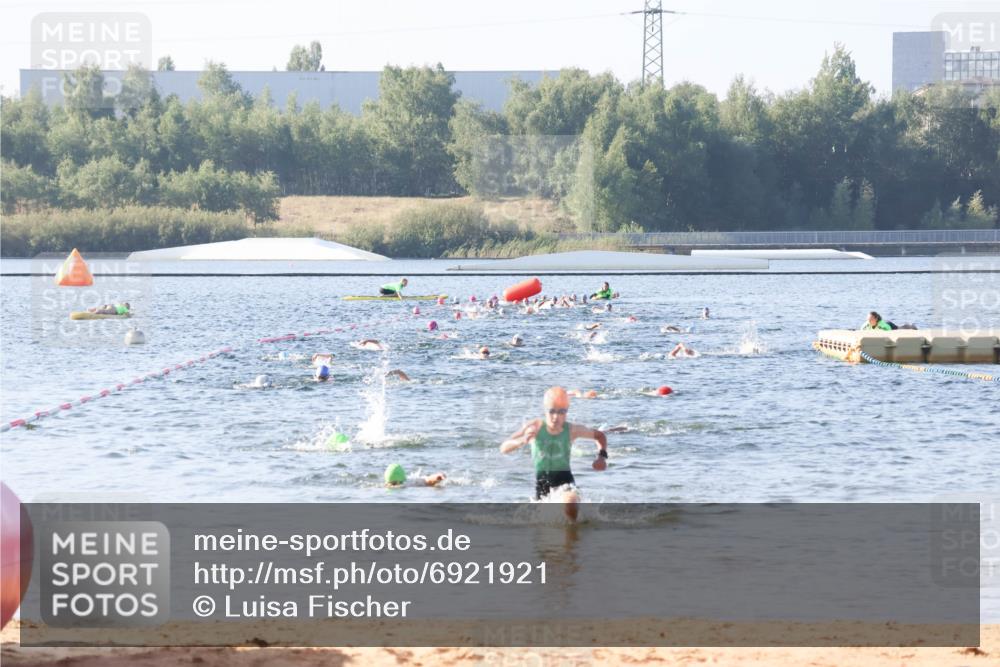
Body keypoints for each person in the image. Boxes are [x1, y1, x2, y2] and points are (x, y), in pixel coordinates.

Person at [500, 387, 608, 521]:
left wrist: (601, 457)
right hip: (543, 485)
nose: (556, 417)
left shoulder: (572, 430)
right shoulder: (535, 426)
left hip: (565, 481)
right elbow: (504, 448)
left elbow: (600, 436)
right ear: (545, 410)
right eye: (552, 411)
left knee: (570, 502)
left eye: (561, 412)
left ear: (567, 412)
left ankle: (572, 538)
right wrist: (522, 441)